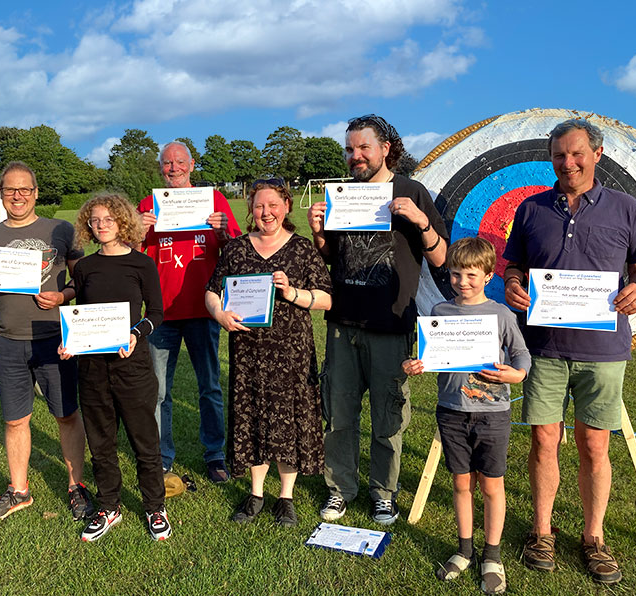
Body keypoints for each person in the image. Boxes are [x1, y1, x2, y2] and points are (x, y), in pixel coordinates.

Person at [503, 119, 636, 584]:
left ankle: (594, 537)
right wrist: (512, 283)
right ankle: (542, 532)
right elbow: (514, 264)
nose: (567, 163)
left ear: (597, 154)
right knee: (544, 439)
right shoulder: (531, 209)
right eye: (558, 156)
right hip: (544, 347)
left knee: (594, 444)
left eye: (576, 154)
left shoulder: (626, 208)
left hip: (603, 350)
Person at [307, 114, 448, 525]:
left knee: (388, 418)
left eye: (363, 148)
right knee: (339, 414)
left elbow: (440, 259)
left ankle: (383, 492)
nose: (356, 156)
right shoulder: (342, 195)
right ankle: (340, 490)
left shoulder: (413, 192)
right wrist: (319, 233)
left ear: (386, 148)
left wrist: (420, 221)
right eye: (350, 149)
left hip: (391, 325)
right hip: (343, 324)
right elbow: (331, 258)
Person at [0, 161, 92, 523]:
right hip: (7, 340)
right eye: (10, 190)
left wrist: (63, 297)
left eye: (25, 190)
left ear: (36, 193)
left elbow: (83, 281)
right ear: (2, 194)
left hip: (53, 339)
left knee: (66, 415)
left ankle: (75, 486)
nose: (17, 196)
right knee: (16, 420)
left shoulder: (60, 230)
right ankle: (19, 490)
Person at [403, 237, 530, 595]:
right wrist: (415, 365)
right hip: (452, 412)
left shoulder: (502, 314)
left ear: (489, 275)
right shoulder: (440, 313)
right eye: (457, 274)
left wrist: (514, 375)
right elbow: (431, 355)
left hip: (492, 414)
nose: (463, 282)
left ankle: (492, 555)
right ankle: (464, 549)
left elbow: (522, 357)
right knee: (461, 483)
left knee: (491, 485)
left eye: (472, 275)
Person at [205, 178, 332, 526]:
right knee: (253, 417)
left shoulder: (303, 248)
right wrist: (219, 313)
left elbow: (326, 297)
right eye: (259, 206)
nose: (266, 213)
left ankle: (286, 496)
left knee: (289, 419)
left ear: (287, 206)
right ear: (250, 210)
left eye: (273, 205)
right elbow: (212, 290)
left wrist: (293, 293)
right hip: (247, 352)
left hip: (291, 351)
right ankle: (256, 492)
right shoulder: (235, 249)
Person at [61, 193, 169, 542]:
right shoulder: (87, 268)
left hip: (132, 366)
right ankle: (109, 506)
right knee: (101, 443)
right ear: (88, 226)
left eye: (108, 219)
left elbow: (156, 313)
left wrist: (137, 334)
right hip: (92, 369)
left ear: (122, 221)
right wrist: (69, 342)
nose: (101, 225)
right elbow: (78, 316)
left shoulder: (142, 264)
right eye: (95, 220)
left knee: (145, 442)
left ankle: (155, 507)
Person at [138, 140, 241, 483]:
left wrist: (224, 232)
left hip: (204, 309)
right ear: (160, 168)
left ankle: (215, 454)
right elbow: (130, 254)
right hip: (161, 313)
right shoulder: (149, 205)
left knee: (209, 386)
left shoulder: (213, 201)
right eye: (167, 163)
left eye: (179, 162)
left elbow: (236, 249)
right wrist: (137, 230)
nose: (174, 168)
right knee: (158, 391)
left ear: (192, 164)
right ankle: (161, 455)